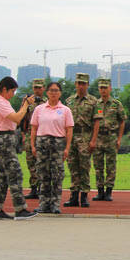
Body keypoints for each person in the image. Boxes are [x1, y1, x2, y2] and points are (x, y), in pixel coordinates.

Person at [0, 76, 37, 220]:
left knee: (3, 176)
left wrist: (23, 105)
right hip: (3, 139)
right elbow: (16, 118)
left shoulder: (2, 102)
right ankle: (20, 209)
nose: (13, 94)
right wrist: (26, 105)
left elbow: (15, 119)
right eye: (12, 91)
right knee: (15, 173)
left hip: (5, 138)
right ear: (4, 89)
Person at [30, 81, 74, 214]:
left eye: (56, 90)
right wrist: (32, 145)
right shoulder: (39, 109)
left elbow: (69, 130)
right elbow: (33, 128)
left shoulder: (65, 110)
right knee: (43, 174)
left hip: (58, 143)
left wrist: (67, 148)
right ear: (47, 92)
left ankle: (55, 204)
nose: (53, 93)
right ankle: (43, 203)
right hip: (42, 142)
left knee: (57, 174)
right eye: (51, 90)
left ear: (60, 93)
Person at [64, 73, 99, 208]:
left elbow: (97, 122)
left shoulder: (94, 101)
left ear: (88, 85)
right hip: (71, 136)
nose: (81, 86)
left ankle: (84, 196)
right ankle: (73, 195)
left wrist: (93, 140)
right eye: (79, 83)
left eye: (83, 83)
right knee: (73, 166)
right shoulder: (69, 101)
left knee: (84, 167)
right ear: (75, 84)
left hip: (85, 136)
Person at [91, 78, 127, 201]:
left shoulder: (116, 104)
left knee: (111, 165)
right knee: (98, 165)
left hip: (111, 137)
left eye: (105, 88)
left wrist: (119, 138)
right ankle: (100, 191)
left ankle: (109, 191)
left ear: (110, 88)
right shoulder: (95, 104)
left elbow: (122, 121)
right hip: (99, 136)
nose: (103, 90)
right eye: (101, 88)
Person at [21, 78, 47, 200]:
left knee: (43, 163)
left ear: (44, 88)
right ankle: (33, 188)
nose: (37, 90)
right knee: (31, 162)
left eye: (39, 87)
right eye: (35, 87)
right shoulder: (28, 101)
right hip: (29, 134)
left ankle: (43, 187)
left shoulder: (47, 102)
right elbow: (22, 119)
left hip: (43, 135)